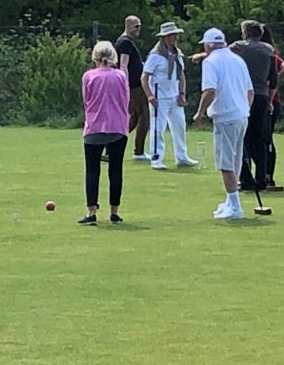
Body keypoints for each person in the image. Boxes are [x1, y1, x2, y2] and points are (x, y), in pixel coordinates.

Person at [192, 28, 254, 220]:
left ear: (208, 45)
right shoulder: (238, 60)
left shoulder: (210, 62)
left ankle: (235, 206)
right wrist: (245, 109)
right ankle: (230, 200)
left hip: (226, 117)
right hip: (242, 116)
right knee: (235, 160)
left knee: (225, 162)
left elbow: (210, 90)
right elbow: (250, 91)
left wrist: (200, 112)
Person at [78, 41, 130, 226]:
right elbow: (126, 100)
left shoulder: (88, 76)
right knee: (116, 170)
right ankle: (114, 212)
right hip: (117, 127)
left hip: (94, 126)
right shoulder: (121, 75)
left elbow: (86, 101)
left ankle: (91, 211)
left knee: (92, 170)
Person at [140, 22, 199, 170]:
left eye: (175, 35)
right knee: (158, 129)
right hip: (159, 97)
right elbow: (144, 77)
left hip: (174, 96)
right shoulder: (155, 56)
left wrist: (182, 93)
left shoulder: (177, 54)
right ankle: (156, 159)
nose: (175, 38)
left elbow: (181, 75)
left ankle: (182, 157)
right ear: (164, 37)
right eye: (172, 35)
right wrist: (150, 96)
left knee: (179, 126)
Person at [229, 20, 278, 190]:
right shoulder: (268, 50)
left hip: (243, 96)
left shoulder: (238, 47)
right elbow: (273, 80)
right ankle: (262, 177)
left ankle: (246, 178)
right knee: (260, 138)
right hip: (262, 97)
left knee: (242, 137)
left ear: (246, 33)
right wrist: (270, 101)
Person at [260, 25, 284, 188]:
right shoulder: (266, 53)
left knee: (265, 138)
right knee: (264, 139)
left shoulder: (269, 54)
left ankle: (267, 176)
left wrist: (273, 81)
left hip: (270, 100)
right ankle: (264, 175)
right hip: (267, 100)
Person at [115, 15, 151, 160]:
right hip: (134, 86)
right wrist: (125, 85)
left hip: (135, 85)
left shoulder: (127, 42)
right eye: (136, 26)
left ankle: (112, 145)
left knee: (134, 118)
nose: (138, 29)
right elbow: (123, 65)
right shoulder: (124, 43)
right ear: (128, 25)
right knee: (144, 115)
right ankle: (139, 151)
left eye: (140, 26)